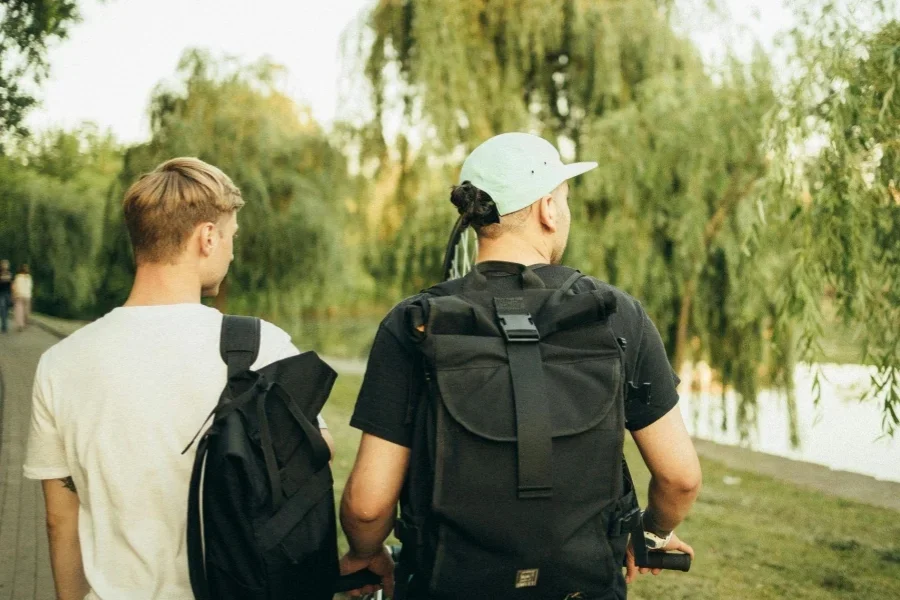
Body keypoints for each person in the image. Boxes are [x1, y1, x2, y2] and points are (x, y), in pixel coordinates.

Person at [339, 133, 702, 599]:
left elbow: (368, 506)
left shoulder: (415, 324)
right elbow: (680, 477)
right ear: (547, 209)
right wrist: (650, 533)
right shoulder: (616, 314)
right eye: (564, 200)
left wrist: (366, 553)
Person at [23, 157, 333, 600]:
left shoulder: (59, 362)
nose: (232, 250)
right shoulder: (260, 344)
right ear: (207, 237)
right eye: (231, 237)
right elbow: (316, 457)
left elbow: (60, 521)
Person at [13, 263, 33, 331]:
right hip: (22, 295)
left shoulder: (27, 277)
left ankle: (23, 323)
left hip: (24, 295)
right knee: (22, 311)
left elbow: (30, 287)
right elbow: (15, 286)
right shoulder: (20, 277)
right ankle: (22, 324)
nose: (26, 269)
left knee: (23, 311)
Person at [0, 259, 12, 333]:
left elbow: (11, 284)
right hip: (1, 293)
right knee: (3, 308)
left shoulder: (9, 273)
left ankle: (4, 324)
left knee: (6, 310)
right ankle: (4, 326)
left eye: (6, 265)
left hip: (8, 293)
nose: (5, 266)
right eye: (3, 264)